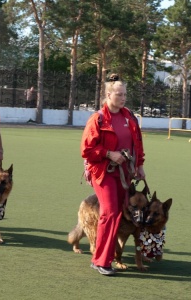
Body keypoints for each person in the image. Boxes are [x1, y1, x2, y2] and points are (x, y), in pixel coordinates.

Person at [80, 74, 145, 276]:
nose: (123, 98)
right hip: (103, 172)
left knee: (115, 214)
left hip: (124, 173)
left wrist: (140, 165)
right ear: (108, 94)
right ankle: (101, 260)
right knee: (109, 213)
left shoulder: (129, 117)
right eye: (119, 94)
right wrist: (109, 154)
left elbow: (137, 143)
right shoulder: (97, 119)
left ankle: (101, 258)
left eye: (125, 94)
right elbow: (87, 150)